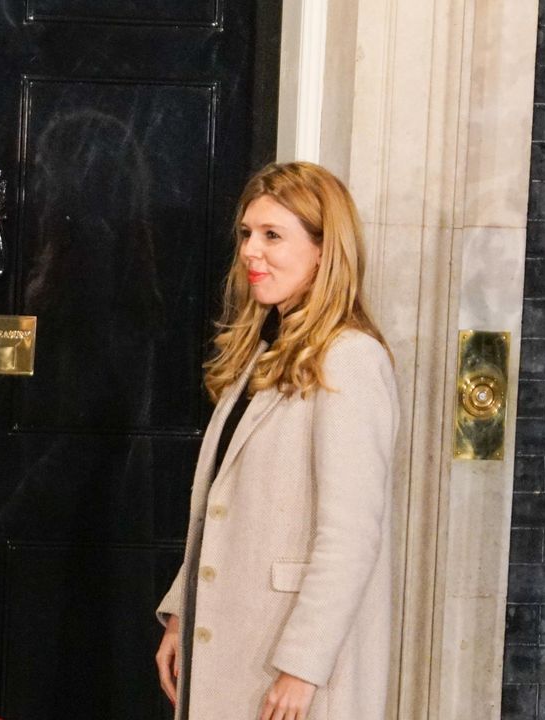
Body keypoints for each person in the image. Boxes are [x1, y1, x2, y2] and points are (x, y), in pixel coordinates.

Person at [154, 162, 398, 720]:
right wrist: (180, 614)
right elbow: (219, 514)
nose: (250, 252)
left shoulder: (351, 359)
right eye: (246, 234)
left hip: (291, 665)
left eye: (272, 236)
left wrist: (302, 667)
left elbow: (351, 535)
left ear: (323, 250)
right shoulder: (264, 353)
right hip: (235, 645)